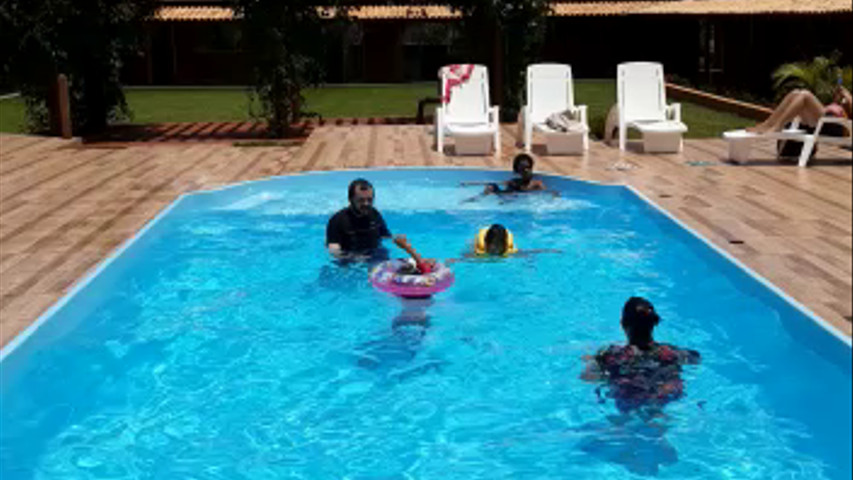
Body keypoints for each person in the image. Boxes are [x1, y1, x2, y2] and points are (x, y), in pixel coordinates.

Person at [581, 297, 700, 413]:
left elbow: (587, 377)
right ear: (653, 323)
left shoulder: (611, 355)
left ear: (623, 324)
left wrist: (595, 363)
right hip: (663, 395)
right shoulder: (671, 352)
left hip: (628, 400)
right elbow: (696, 358)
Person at [326, 179, 396, 259]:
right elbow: (334, 251)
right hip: (350, 261)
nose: (366, 204)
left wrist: (398, 239)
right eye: (361, 200)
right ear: (351, 199)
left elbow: (385, 235)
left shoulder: (375, 214)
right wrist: (355, 258)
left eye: (369, 200)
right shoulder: (337, 220)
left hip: (375, 254)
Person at [747, 85, 851, 134]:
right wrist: (838, 98)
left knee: (805, 95)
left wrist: (847, 95)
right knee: (795, 93)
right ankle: (768, 124)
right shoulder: (841, 104)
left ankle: (778, 126)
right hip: (824, 119)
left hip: (838, 126)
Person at [462, 154, 557, 202]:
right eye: (523, 169)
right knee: (490, 186)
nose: (527, 171)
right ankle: (475, 199)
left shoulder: (536, 184)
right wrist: (470, 184)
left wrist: (554, 196)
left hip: (518, 199)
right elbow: (498, 183)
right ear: (517, 172)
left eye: (528, 168)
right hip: (509, 197)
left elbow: (547, 192)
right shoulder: (514, 182)